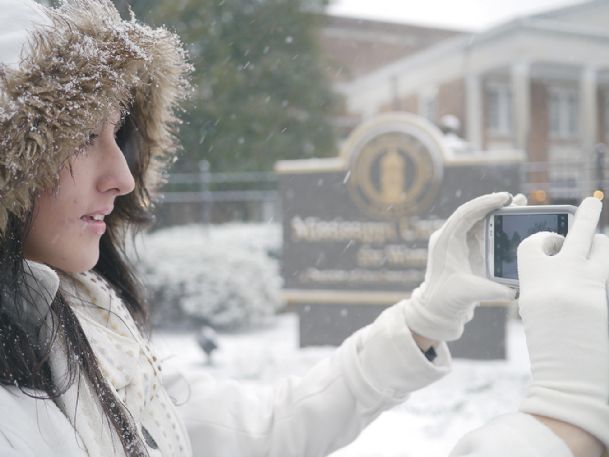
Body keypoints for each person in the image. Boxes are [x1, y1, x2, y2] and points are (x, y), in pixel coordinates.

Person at [0, 1, 607, 457]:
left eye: (118, 137)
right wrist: (562, 421)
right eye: (81, 137)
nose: (122, 177)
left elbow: (263, 430)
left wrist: (425, 320)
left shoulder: (79, 321)